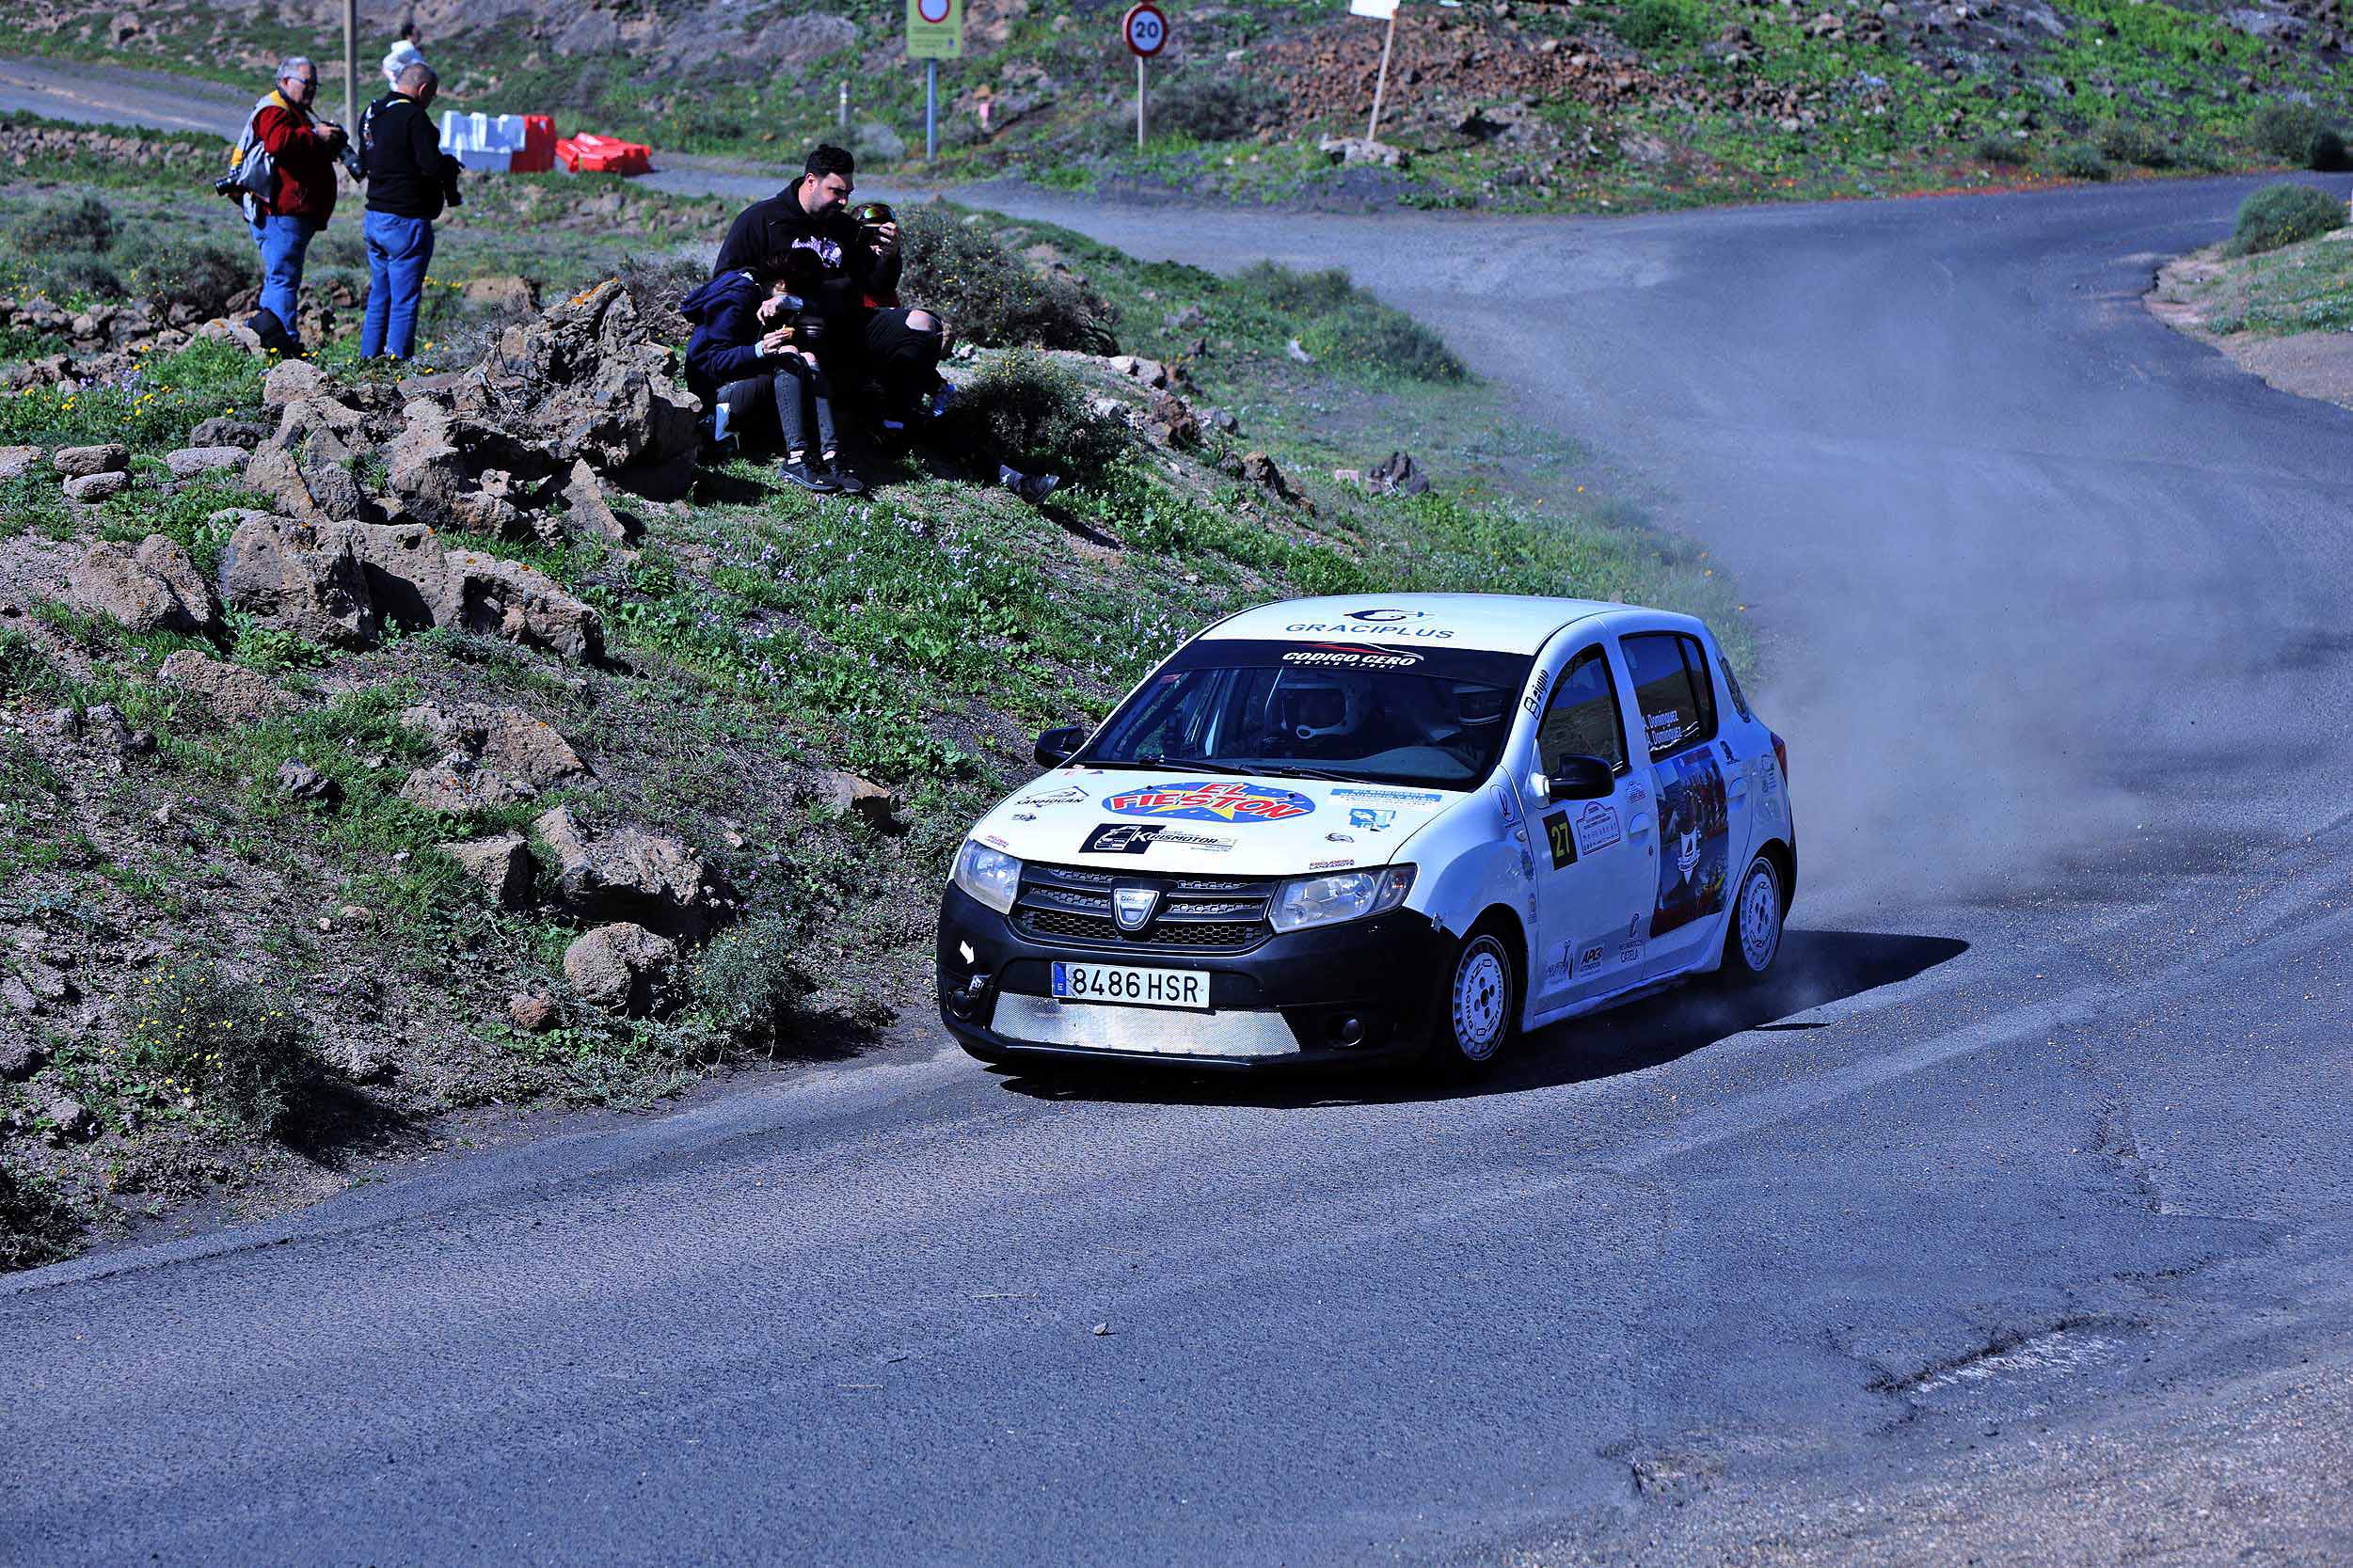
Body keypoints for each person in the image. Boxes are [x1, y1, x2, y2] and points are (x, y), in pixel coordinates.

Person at [680, 256, 866, 497]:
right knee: (789, 355)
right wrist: (760, 350)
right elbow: (710, 361)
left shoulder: (764, 291)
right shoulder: (735, 299)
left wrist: (791, 305)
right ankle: (796, 458)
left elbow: (818, 303)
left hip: (743, 388)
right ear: (781, 284)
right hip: (716, 403)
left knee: (807, 357)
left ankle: (830, 455)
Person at [243, 57, 347, 355]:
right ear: (285, 81)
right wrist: (315, 135)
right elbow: (278, 143)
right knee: (284, 277)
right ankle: (283, 345)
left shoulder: (295, 112)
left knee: (280, 276)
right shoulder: (274, 110)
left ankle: (268, 339)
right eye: (307, 83)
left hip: (291, 212)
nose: (312, 90)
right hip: (281, 212)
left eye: (315, 84)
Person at [358, 61, 460, 360]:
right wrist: (449, 167)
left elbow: (365, 159)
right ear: (423, 89)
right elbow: (430, 165)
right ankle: (396, 360)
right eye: (433, 95)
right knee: (404, 298)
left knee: (380, 293)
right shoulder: (414, 117)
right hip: (405, 220)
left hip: (374, 215)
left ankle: (369, 356)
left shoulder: (373, 112)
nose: (431, 101)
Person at [380, 22, 425, 90]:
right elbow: (388, 61)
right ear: (409, 35)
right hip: (404, 91)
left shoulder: (412, 49)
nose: (420, 35)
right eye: (417, 33)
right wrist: (407, 72)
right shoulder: (407, 47)